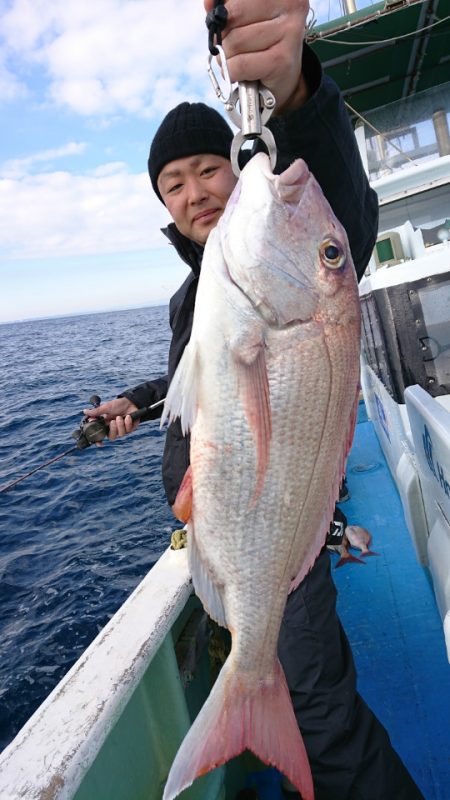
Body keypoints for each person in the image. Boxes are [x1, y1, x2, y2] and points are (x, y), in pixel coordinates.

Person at [85, 2, 424, 797]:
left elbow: (333, 199)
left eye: (207, 168)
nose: (195, 191)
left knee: (325, 720)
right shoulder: (198, 295)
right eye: (173, 184)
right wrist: (135, 402)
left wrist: (296, 89)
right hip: (235, 527)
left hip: (275, 540)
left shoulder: (275, 252)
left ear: (240, 166)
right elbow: (197, 377)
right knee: (310, 708)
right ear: (162, 203)